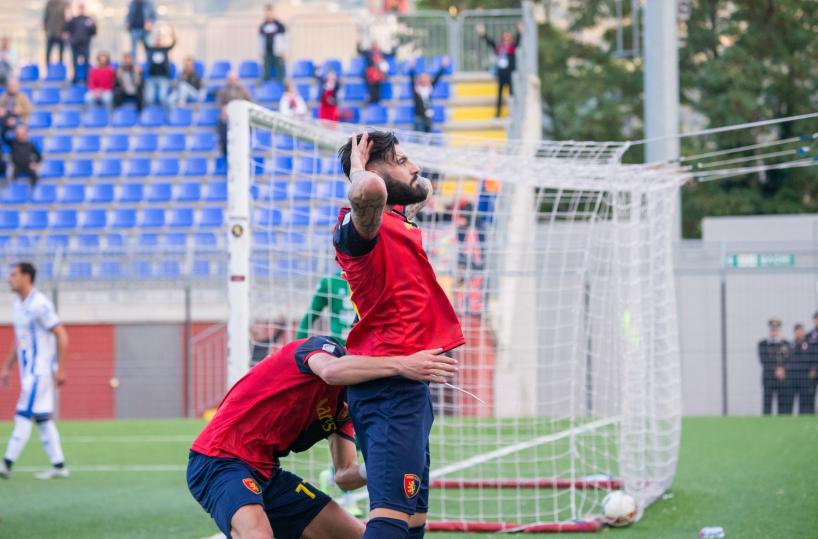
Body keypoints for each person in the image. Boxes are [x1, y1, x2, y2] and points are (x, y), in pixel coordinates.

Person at [187, 335, 456, 539]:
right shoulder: (324, 349)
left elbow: (344, 475)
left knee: (361, 535)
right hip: (219, 460)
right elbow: (330, 372)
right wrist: (403, 365)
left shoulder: (348, 408)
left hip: (268, 474)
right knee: (258, 534)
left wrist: (383, 466)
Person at [335, 132, 465, 538]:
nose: (415, 167)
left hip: (408, 386)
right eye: (403, 159)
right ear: (372, 170)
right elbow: (371, 188)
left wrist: (401, 172)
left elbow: (420, 187)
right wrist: (360, 169)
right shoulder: (361, 226)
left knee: (411, 523)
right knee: (390, 522)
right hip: (388, 388)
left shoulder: (396, 220)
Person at [0, 262, 70, 480]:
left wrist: (61, 369)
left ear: (26, 277)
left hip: (39, 373)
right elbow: (20, 339)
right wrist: (7, 367)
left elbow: (61, 334)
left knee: (22, 415)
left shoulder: (40, 304)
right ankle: (59, 466)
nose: (9, 279)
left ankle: (6, 464)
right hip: (28, 372)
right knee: (42, 420)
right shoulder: (19, 304)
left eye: (13, 275)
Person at [476, 21, 523, 117]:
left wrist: (519, 31)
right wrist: (483, 34)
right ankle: (498, 113)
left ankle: (513, 114)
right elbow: (490, 42)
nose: (506, 39)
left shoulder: (512, 48)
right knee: (499, 94)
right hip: (501, 74)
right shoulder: (499, 47)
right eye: (504, 37)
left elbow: (518, 41)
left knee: (511, 94)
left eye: (508, 37)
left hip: (510, 73)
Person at [296, 270, 355, 344]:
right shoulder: (330, 282)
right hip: (338, 346)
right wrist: (298, 346)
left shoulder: (371, 279)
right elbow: (310, 316)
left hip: (365, 347)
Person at [758, 318, 792, 415]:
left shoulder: (786, 344)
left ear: (780, 330)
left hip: (782, 378)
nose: (774, 331)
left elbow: (789, 359)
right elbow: (763, 360)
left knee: (782, 404)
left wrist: (783, 369)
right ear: (769, 329)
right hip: (769, 378)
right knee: (767, 404)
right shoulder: (763, 344)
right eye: (772, 329)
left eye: (776, 329)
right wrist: (776, 369)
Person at [407, 56, 449, 133]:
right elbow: (412, 78)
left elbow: (437, 78)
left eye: (426, 78)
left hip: (428, 117)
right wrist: (411, 67)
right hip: (419, 118)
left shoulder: (429, 88)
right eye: (423, 78)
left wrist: (443, 66)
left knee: (429, 138)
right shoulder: (416, 89)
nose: (425, 80)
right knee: (418, 138)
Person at [216, 72, 252, 156]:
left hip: (240, 116)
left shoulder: (242, 90)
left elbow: (249, 102)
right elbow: (220, 104)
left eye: (233, 79)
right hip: (227, 116)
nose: (232, 81)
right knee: (222, 124)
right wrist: (224, 109)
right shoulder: (223, 90)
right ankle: (225, 149)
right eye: (230, 79)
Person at [63, 3, 97, 84]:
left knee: (86, 63)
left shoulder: (89, 19)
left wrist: (93, 25)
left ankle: (87, 79)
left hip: (85, 44)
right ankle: (75, 78)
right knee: (74, 62)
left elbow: (93, 32)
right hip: (75, 44)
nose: (81, 10)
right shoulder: (73, 19)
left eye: (82, 8)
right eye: (80, 8)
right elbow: (67, 29)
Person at [142, 30, 175, 108]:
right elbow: (144, 42)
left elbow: (173, 43)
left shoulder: (165, 49)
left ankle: (164, 117)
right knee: (149, 98)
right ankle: (151, 118)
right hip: (151, 77)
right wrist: (146, 31)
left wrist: (171, 32)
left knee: (163, 98)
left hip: (163, 77)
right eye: (156, 39)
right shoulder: (150, 49)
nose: (158, 41)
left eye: (159, 39)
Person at [357, 40, 394, 105]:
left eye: (376, 44)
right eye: (373, 44)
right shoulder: (368, 52)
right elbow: (359, 51)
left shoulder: (381, 53)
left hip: (379, 74)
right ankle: (371, 98)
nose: (375, 46)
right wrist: (358, 43)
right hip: (370, 74)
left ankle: (377, 99)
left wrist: (394, 46)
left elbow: (391, 54)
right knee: (371, 85)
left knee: (378, 84)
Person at [791, 323, 817, 414]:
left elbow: (814, 360)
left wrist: (813, 370)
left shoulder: (810, 347)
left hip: (806, 379)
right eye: (797, 332)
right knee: (789, 401)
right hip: (793, 379)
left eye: (801, 331)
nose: (799, 334)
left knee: (806, 403)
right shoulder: (790, 346)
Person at [0, 80, 33, 147]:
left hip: (19, 120)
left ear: (18, 87)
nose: (11, 88)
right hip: (5, 120)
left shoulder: (22, 97)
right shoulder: (4, 97)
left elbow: (28, 109)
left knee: (19, 130)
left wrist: (20, 110)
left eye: (13, 86)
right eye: (10, 86)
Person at [259, 4, 286, 83]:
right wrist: (261, 51)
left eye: (270, 12)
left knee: (280, 74)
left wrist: (284, 51)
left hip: (278, 53)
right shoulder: (263, 26)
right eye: (267, 13)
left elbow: (284, 39)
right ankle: (266, 90)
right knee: (266, 73)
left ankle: (280, 89)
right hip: (267, 53)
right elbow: (260, 40)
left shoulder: (280, 26)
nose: (268, 15)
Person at [43, 0, 68, 65]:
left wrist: (65, 31)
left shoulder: (64, 4)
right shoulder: (49, 3)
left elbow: (66, 19)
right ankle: (48, 67)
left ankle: (60, 67)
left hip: (61, 33)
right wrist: (46, 30)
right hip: (51, 32)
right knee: (48, 51)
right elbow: (46, 17)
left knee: (61, 52)